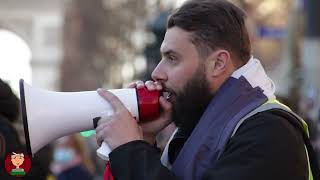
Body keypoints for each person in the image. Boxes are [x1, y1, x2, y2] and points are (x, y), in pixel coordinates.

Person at [95, 0, 320, 180]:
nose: (157, 73)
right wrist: (144, 141)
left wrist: (131, 151)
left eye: (172, 58)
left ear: (218, 64)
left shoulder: (270, 132)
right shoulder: (199, 126)